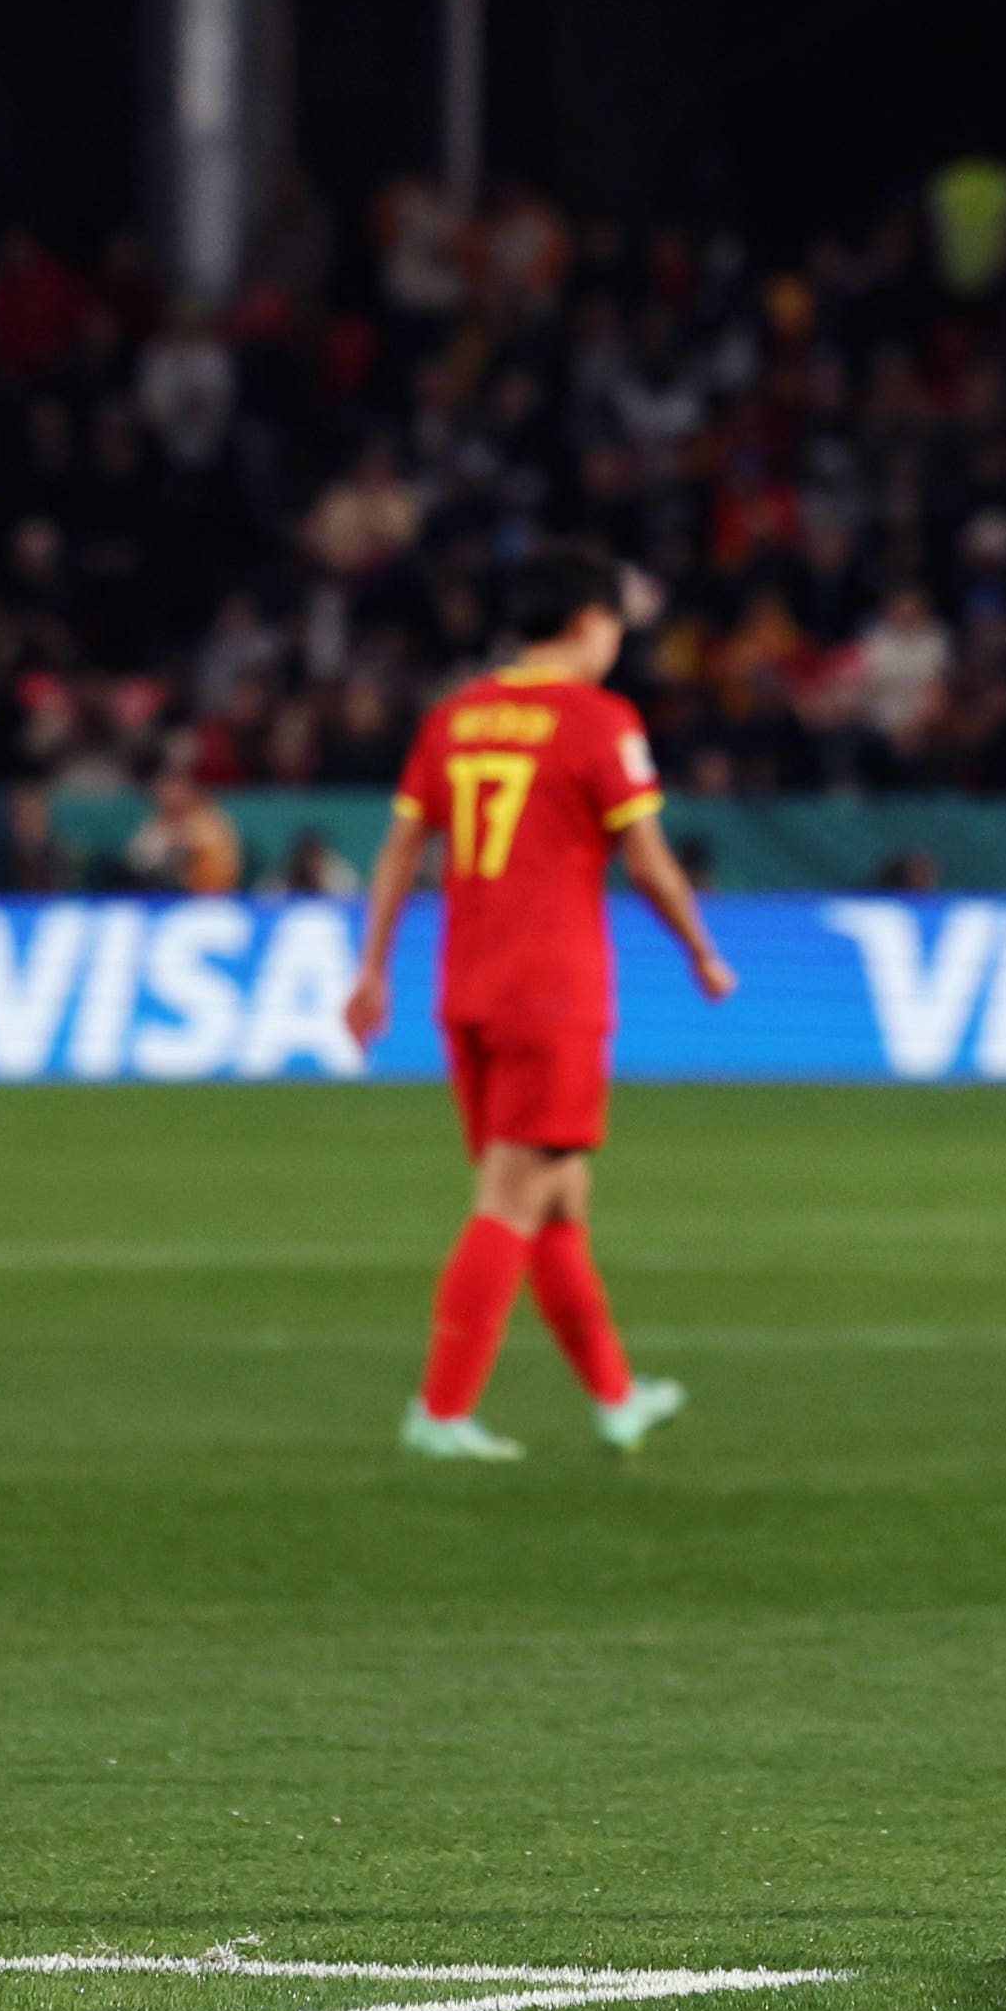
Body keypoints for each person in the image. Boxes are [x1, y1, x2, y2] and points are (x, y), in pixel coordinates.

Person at [343, 543, 736, 1462]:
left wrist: (371, 970)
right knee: (514, 1198)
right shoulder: (599, 721)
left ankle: (614, 1396)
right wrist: (702, 951)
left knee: (558, 1196)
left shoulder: (454, 717)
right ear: (589, 623)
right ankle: (439, 1411)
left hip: (469, 991)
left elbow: (401, 851)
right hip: (552, 992)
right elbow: (644, 858)